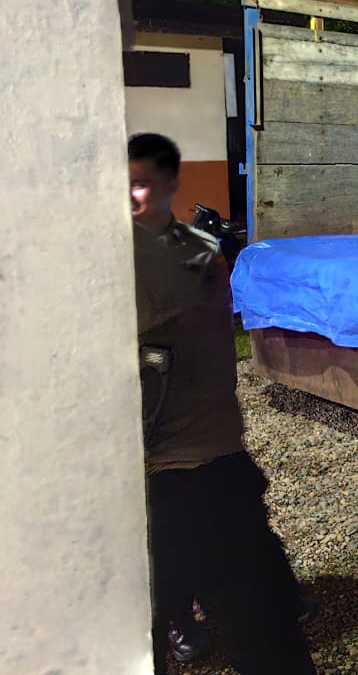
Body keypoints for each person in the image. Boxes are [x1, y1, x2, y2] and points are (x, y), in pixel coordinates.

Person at [130, 133, 316, 675]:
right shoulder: (186, 249)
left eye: (141, 184)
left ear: (170, 184)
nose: (130, 196)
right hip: (202, 453)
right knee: (249, 589)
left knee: (236, 606)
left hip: (182, 462)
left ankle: (179, 622)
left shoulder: (168, 260)